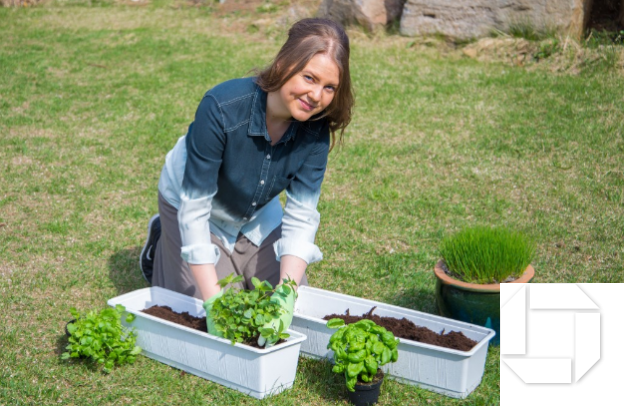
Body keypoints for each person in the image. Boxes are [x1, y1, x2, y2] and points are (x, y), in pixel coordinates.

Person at [138, 17, 354, 346]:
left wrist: (287, 292)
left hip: (254, 209)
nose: (316, 96)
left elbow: (302, 215)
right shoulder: (222, 107)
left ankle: (230, 258)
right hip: (193, 206)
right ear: (283, 64)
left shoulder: (315, 133)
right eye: (309, 77)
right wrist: (214, 304)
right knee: (210, 312)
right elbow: (194, 209)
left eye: (329, 87)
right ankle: (162, 240)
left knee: (294, 309)